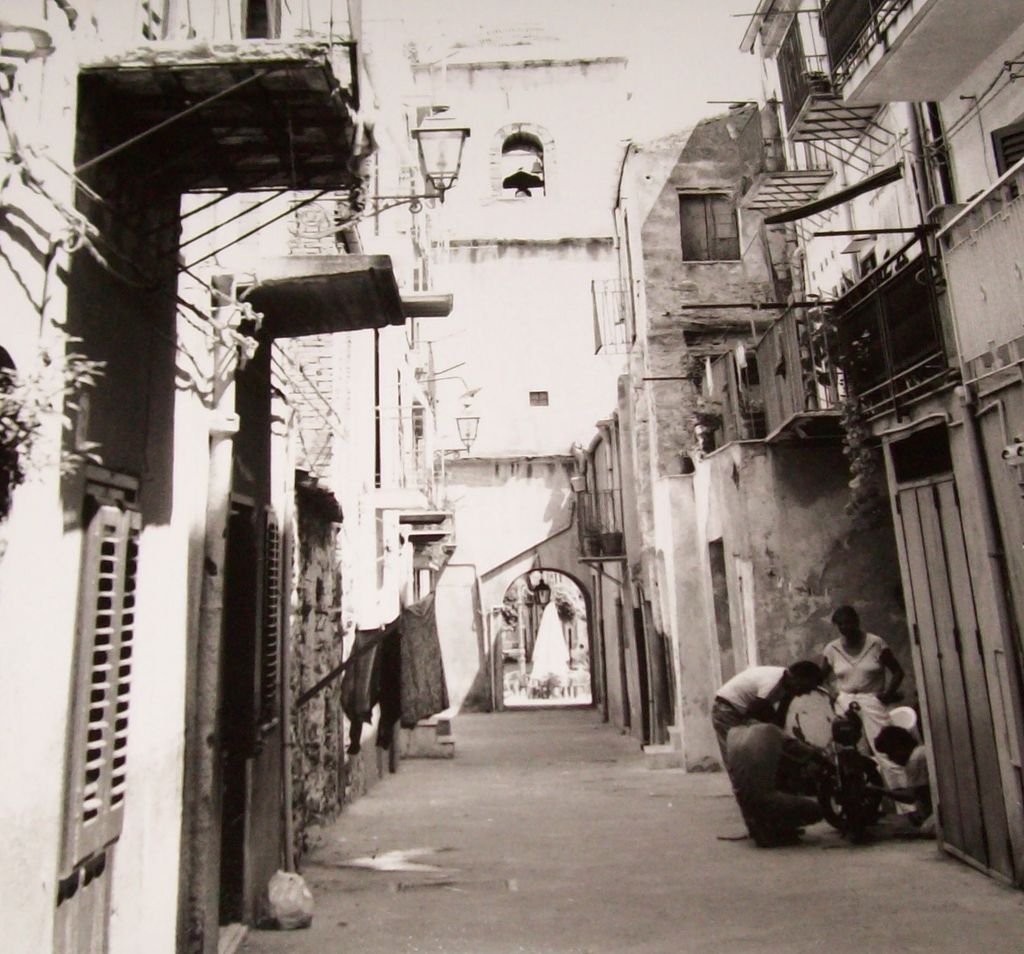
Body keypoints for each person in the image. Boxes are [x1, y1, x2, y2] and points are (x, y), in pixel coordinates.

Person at [822, 605, 907, 796]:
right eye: (840, 625)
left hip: (871, 699)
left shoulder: (875, 643)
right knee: (850, 752)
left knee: (886, 750)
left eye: (848, 623)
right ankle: (861, 799)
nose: (845, 628)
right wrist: (832, 693)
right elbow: (822, 677)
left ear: (857, 621)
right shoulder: (832, 649)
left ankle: (905, 802)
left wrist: (886, 694)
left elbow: (897, 672)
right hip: (845, 701)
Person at [726, 721, 828, 847]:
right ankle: (781, 831)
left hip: (745, 805)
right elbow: (804, 751)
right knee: (817, 811)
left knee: (756, 785)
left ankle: (760, 828)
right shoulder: (771, 730)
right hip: (765, 800)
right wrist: (825, 759)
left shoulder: (733, 733)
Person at [711, 661, 824, 765]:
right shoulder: (773, 684)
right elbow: (755, 713)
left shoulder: (789, 686)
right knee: (737, 756)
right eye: (808, 687)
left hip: (741, 709)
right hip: (726, 709)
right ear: (797, 679)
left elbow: (779, 722)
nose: (807, 692)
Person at [873, 725, 933, 827]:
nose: (891, 758)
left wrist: (880, 791)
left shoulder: (915, 759)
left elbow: (911, 796)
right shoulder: (920, 751)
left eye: (890, 753)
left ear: (899, 747)